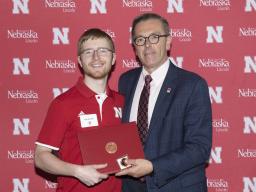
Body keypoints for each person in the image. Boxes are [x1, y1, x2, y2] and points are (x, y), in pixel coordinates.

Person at [116, 13, 212, 192]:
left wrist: (153, 166)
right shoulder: (125, 81)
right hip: (131, 187)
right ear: (134, 47)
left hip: (177, 186)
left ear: (168, 41)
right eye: (140, 40)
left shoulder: (192, 85)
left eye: (154, 37)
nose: (147, 45)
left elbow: (199, 148)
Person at [35, 28, 124, 192]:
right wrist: (77, 171)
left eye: (103, 51)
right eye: (88, 52)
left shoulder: (122, 101)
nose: (96, 57)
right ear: (80, 61)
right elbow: (41, 157)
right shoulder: (63, 104)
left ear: (113, 58)